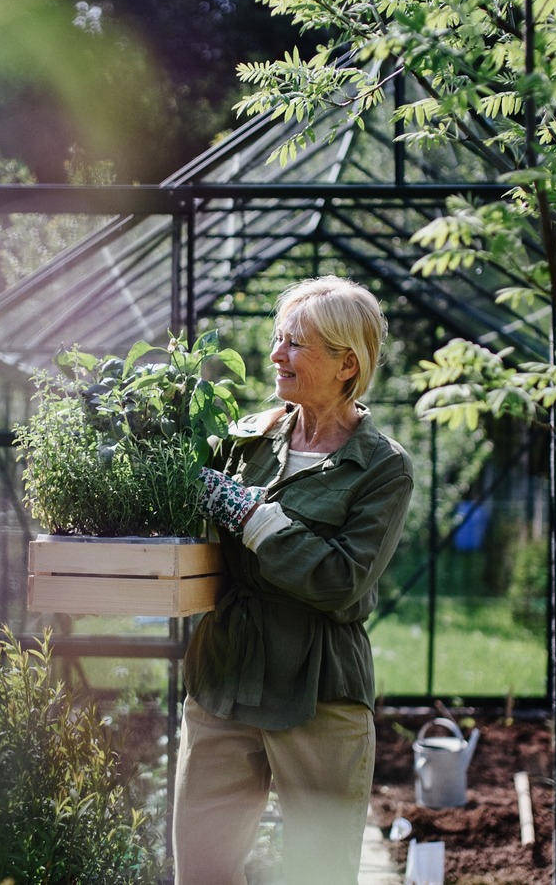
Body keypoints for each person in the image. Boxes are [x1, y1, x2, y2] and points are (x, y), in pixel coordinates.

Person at [175, 276, 415, 885]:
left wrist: (255, 516)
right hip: (223, 677)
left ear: (346, 364)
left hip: (320, 692)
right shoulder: (246, 439)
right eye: (280, 340)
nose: (277, 355)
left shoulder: (382, 467)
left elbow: (341, 578)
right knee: (201, 871)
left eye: (296, 344)